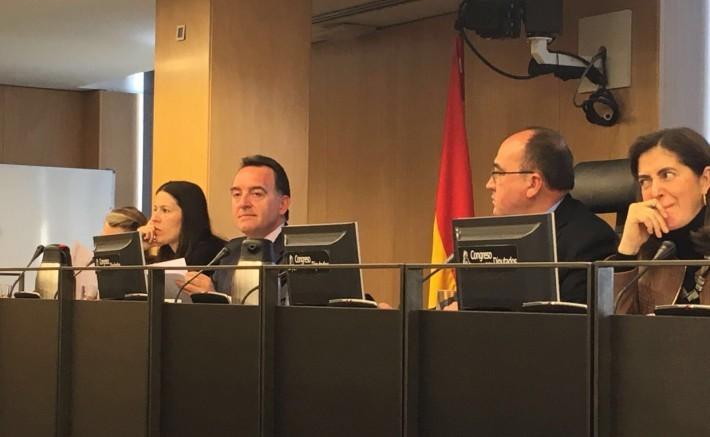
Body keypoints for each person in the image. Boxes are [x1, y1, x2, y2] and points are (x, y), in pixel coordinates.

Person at [484, 127, 618, 303]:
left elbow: (570, 316)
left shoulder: (589, 242)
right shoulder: (497, 236)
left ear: (533, 183)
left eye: (498, 174)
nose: (489, 185)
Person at [614, 127, 710, 314]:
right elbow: (612, 327)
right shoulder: (649, 256)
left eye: (667, 175)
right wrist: (626, 253)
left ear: (705, 180)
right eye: (645, 181)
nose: (655, 191)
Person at [180, 155, 290, 296]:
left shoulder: (300, 255)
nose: (243, 203)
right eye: (237, 194)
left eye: (256, 194)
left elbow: (284, 307)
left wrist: (216, 299)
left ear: (283, 204)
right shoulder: (231, 250)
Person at [139, 181, 225, 269]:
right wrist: (138, 246)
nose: (154, 218)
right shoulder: (167, 253)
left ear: (189, 215)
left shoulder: (215, 256)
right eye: (155, 209)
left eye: (165, 210)